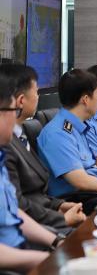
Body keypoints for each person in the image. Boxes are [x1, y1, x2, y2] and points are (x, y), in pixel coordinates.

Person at [0, 64, 85, 234]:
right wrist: (61, 218)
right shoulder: (6, 144)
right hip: (33, 228)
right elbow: (18, 203)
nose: (38, 97)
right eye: (36, 92)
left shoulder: (21, 135)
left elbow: (36, 191)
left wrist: (59, 205)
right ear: (20, 101)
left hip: (46, 214)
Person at [0, 72, 64, 273]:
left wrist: (56, 241)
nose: (15, 119)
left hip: (26, 245)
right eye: (12, 111)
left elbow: (13, 213)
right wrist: (46, 259)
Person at [37, 69, 97, 214]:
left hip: (89, 194)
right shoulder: (58, 133)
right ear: (85, 99)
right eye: (96, 95)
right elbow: (81, 181)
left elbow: (94, 170)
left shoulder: (78, 127)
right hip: (74, 201)